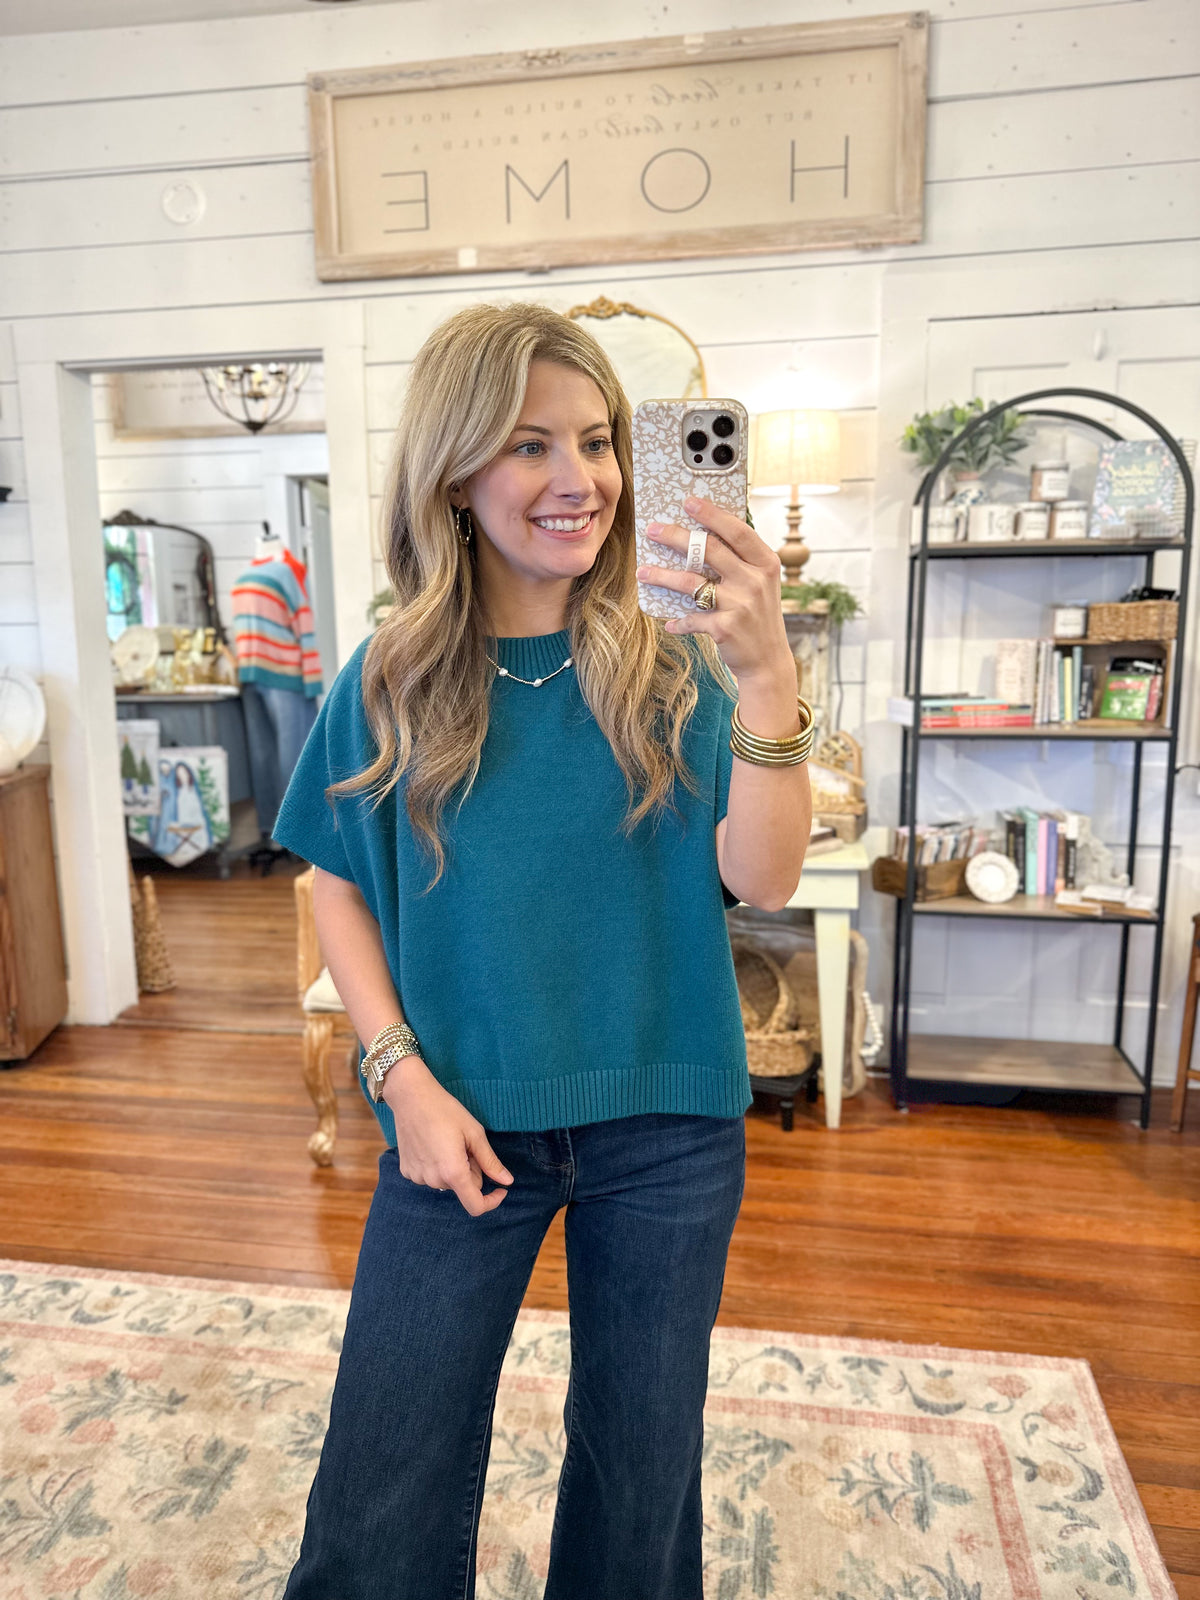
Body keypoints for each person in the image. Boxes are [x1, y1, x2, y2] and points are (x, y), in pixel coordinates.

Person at [273, 302, 812, 1599]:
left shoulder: (677, 663)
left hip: (669, 1128)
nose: (578, 482)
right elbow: (334, 881)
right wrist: (398, 1077)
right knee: (380, 1481)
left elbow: (763, 875)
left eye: (597, 442)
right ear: (456, 473)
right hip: (457, 1122)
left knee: (640, 1479)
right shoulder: (390, 674)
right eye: (528, 446)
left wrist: (771, 680)